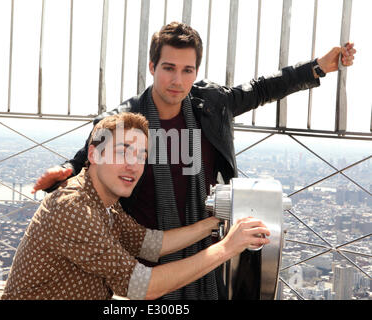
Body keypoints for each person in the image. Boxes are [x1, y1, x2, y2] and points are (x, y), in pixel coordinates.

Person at [31, 22, 356, 299]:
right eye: (168, 68)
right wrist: (69, 170)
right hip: (149, 254)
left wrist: (316, 67)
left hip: (203, 246)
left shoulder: (213, 103)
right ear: (152, 67)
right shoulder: (125, 120)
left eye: (187, 70)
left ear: (196, 72)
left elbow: (261, 88)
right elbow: (94, 152)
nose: (178, 81)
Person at [1, 112, 270, 300]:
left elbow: (152, 244)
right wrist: (226, 248)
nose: (133, 164)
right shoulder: (73, 208)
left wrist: (215, 223)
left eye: (141, 155)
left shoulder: (105, 202)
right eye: (123, 151)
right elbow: (145, 287)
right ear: (94, 154)